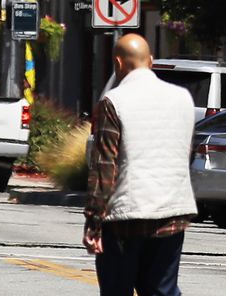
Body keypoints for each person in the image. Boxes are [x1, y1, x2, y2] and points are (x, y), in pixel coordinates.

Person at [84, 33, 197, 296]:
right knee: (162, 290)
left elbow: (104, 166)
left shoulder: (113, 101)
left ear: (118, 64)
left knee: (117, 289)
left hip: (127, 217)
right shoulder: (183, 98)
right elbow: (185, 153)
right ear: (152, 61)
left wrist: (94, 220)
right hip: (172, 212)